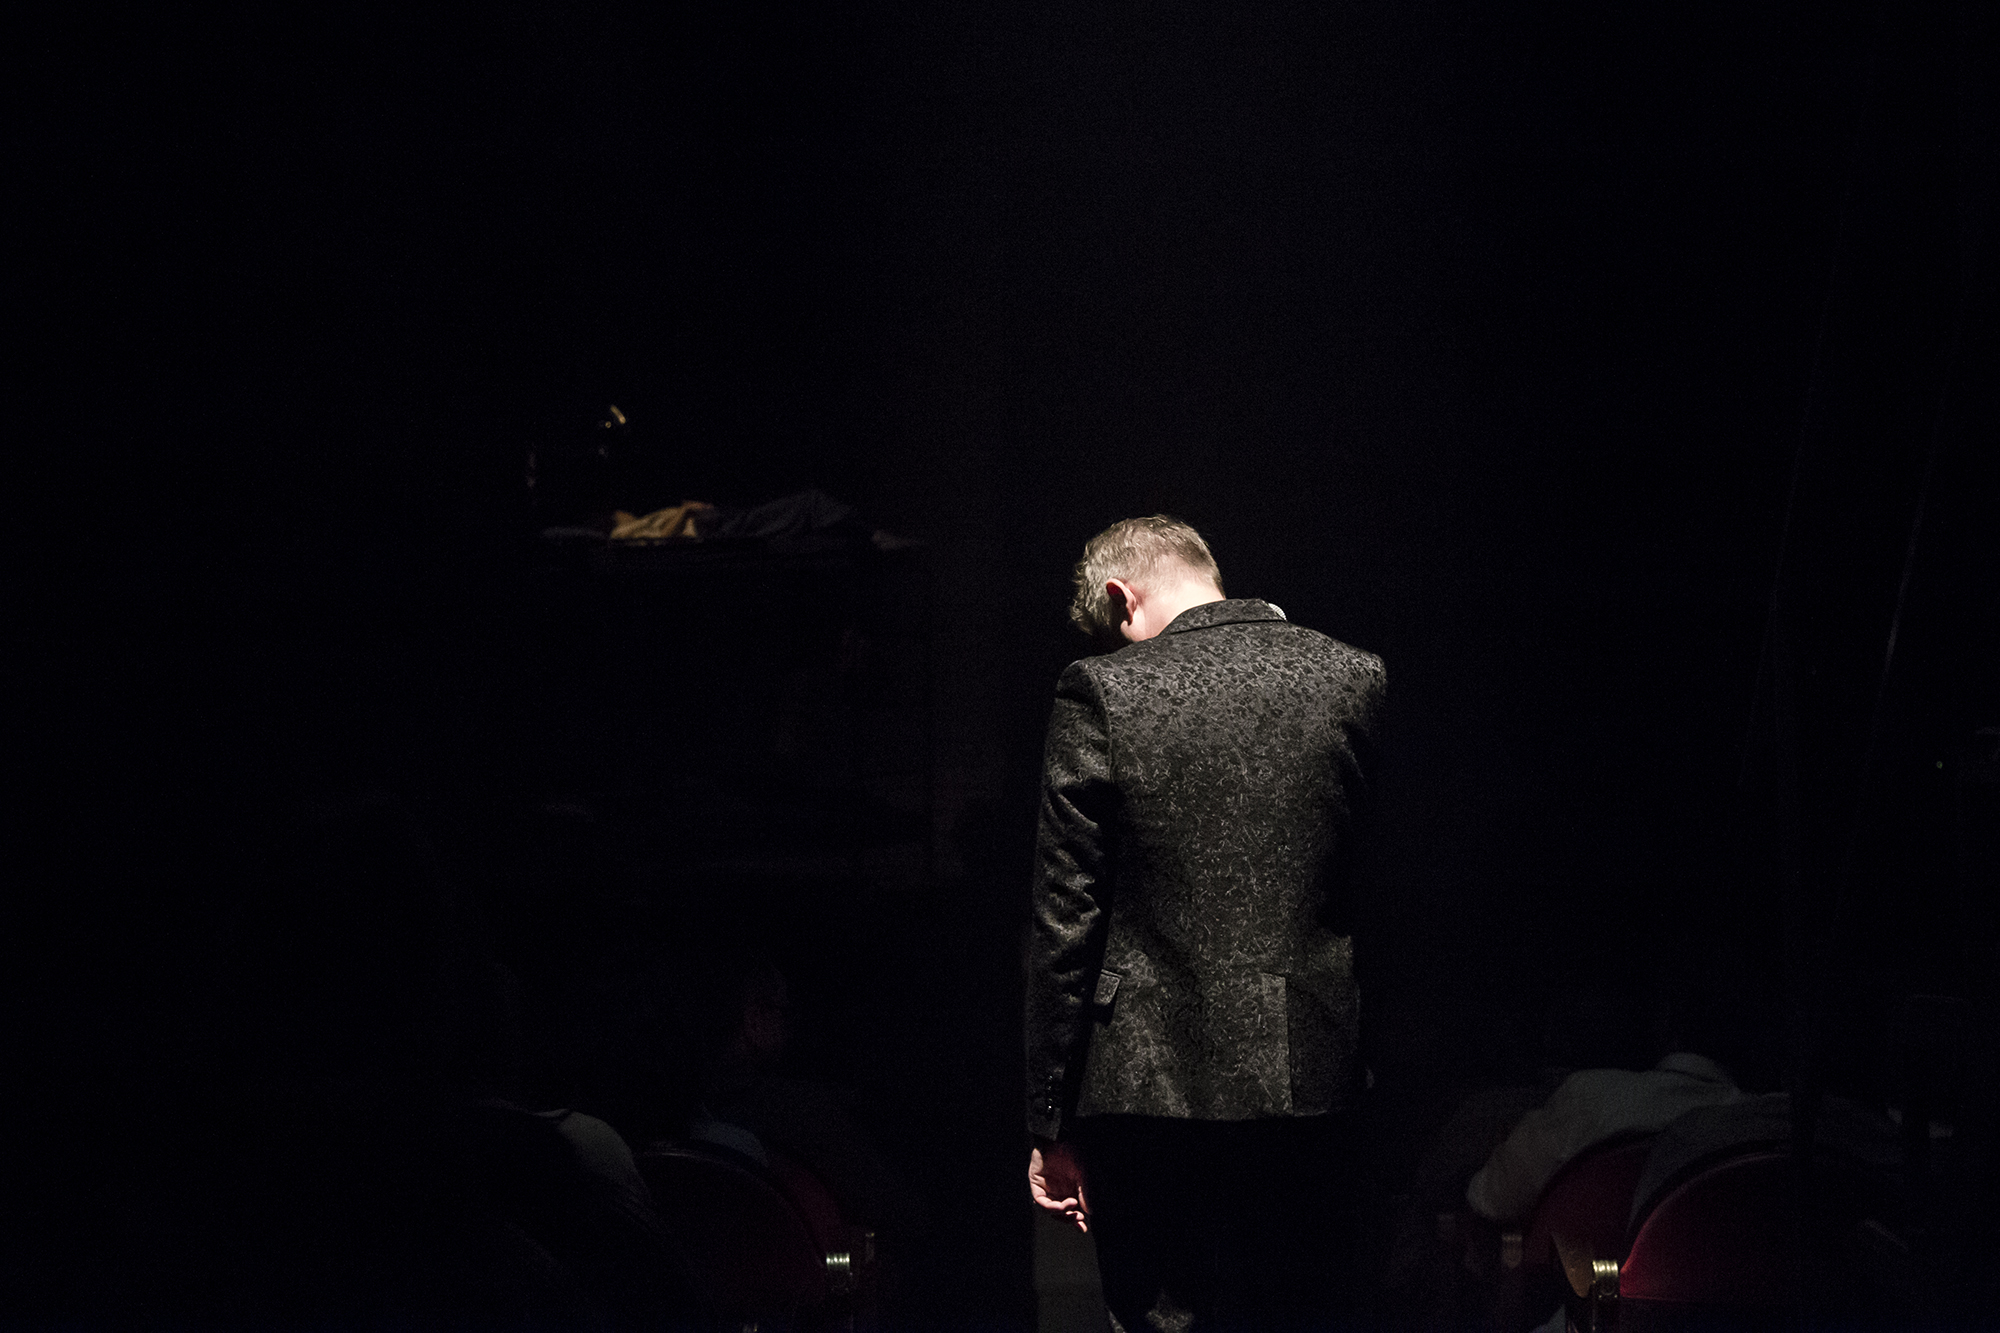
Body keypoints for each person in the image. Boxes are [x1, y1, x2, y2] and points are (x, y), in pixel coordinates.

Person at [1025, 515, 1386, 1331]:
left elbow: (1065, 919)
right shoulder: (1355, 676)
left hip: (1146, 1088)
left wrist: (1050, 1121)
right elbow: (1385, 893)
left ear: (1122, 596)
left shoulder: (1101, 689)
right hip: (1313, 1076)